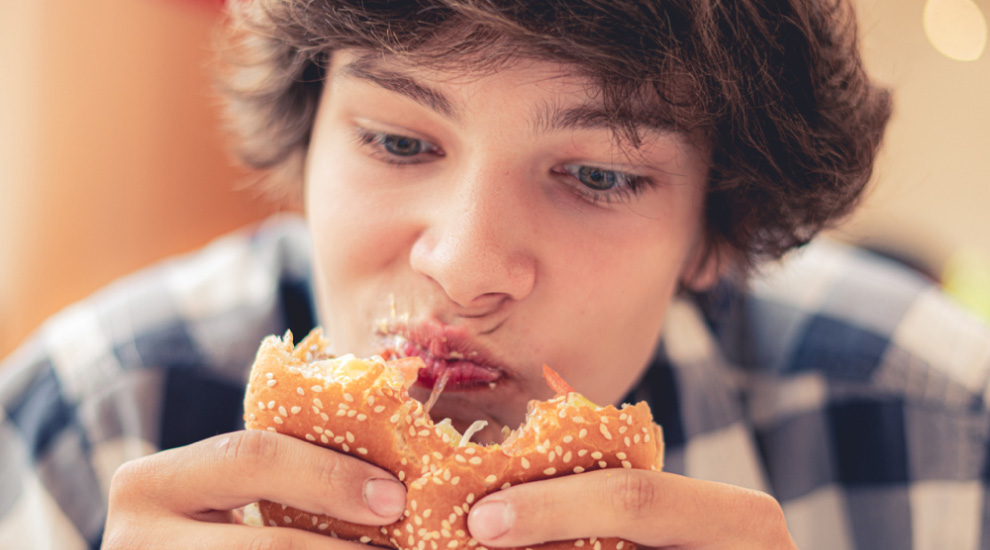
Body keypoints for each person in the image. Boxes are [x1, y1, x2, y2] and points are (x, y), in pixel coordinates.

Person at [1, 0, 988, 548]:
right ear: (305, 151)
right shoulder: (87, 417)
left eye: (598, 174)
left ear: (713, 235)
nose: (466, 267)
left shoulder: (941, 421)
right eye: (395, 140)